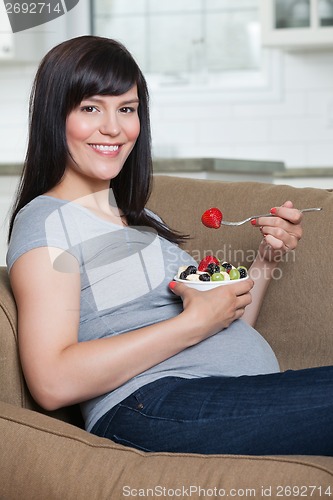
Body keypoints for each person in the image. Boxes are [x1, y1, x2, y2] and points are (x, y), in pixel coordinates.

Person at [6, 35, 333, 456]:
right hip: (152, 407)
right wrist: (191, 323)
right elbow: (51, 381)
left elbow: (221, 323)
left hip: (218, 395)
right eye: (91, 107)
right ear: (55, 115)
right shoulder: (46, 221)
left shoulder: (143, 220)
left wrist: (267, 260)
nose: (113, 127)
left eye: (127, 109)